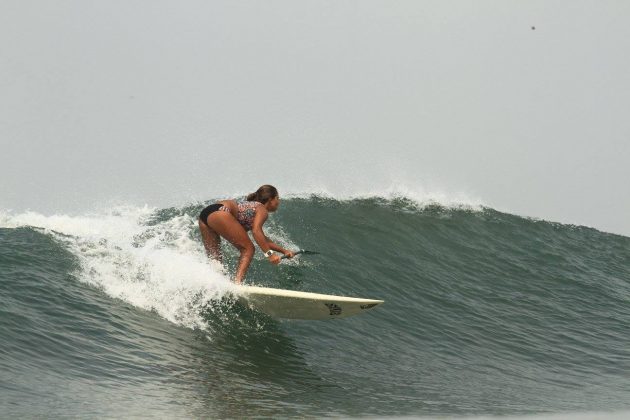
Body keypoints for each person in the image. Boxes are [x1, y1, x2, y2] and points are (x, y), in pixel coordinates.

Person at [198, 185, 295, 284]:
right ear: (270, 199)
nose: (278, 202)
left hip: (206, 214)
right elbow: (256, 232)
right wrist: (270, 255)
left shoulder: (252, 206)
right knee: (248, 249)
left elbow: (262, 238)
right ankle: (238, 283)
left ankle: (215, 283)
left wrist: (284, 251)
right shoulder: (261, 209)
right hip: (221, 211)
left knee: (215, 257)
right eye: (277, 198)